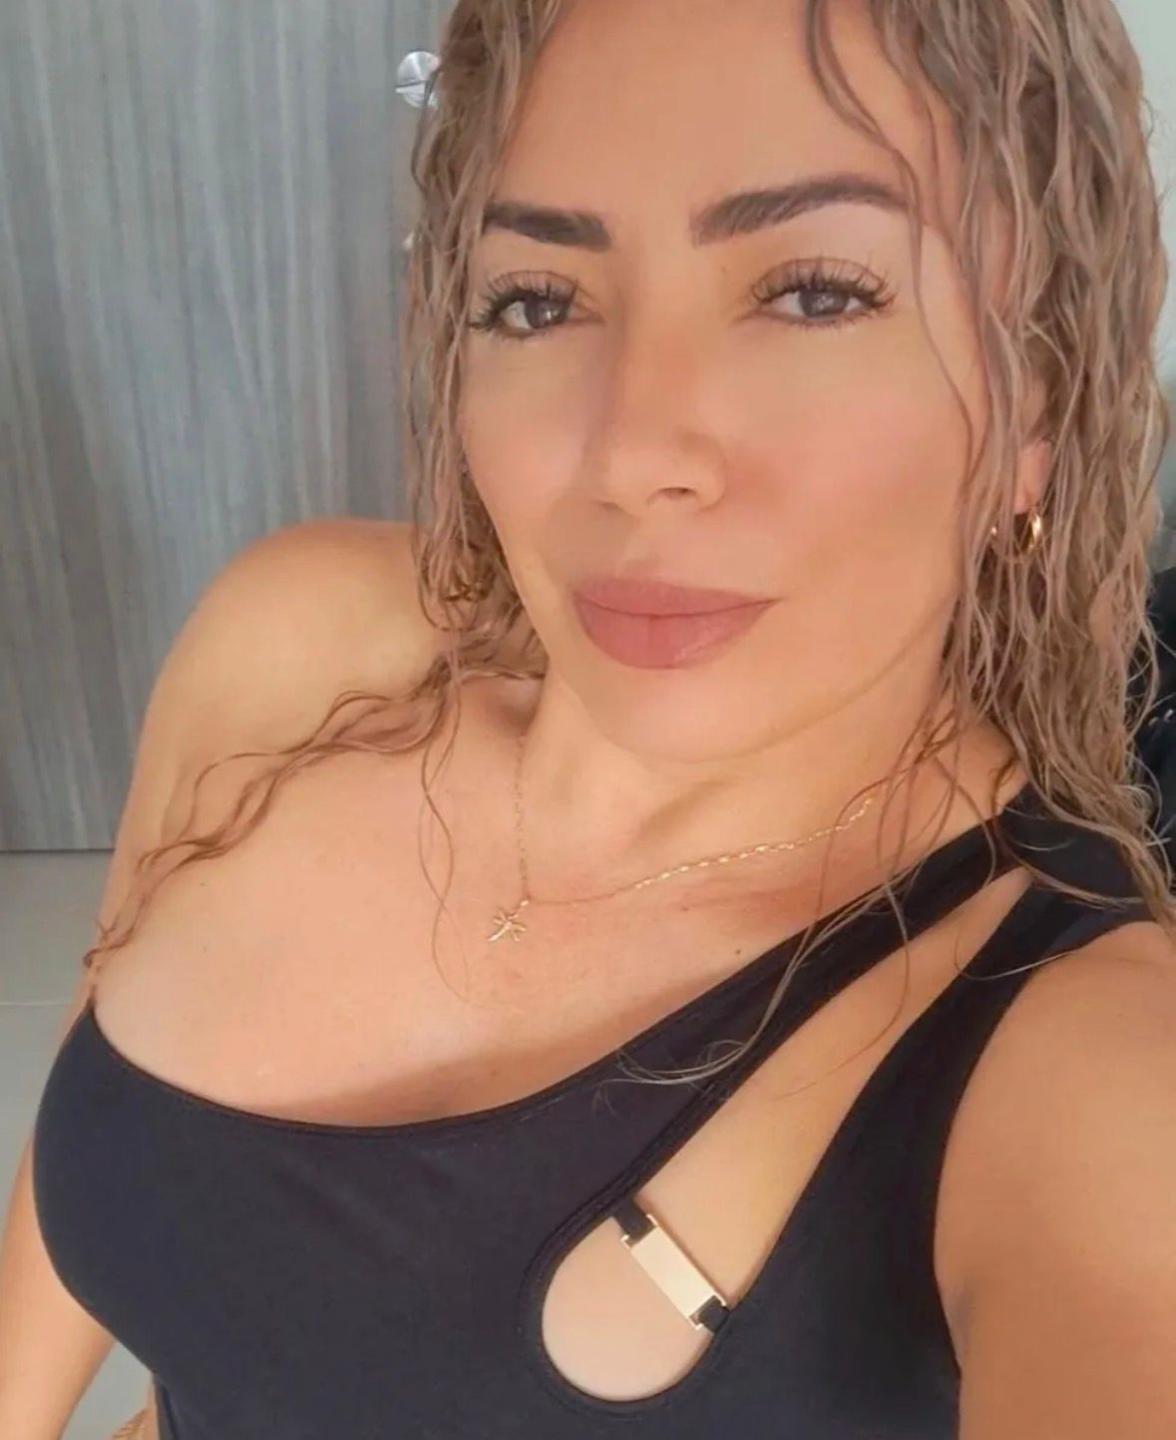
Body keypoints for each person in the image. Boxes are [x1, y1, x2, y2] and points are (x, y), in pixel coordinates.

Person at [3, 0, 1176, 1436]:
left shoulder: (1078, 1059)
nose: (629, 452)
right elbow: (114, 1114)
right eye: (537, 302)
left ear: (1035, 404)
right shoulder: (298, 654)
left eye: (814, 293)